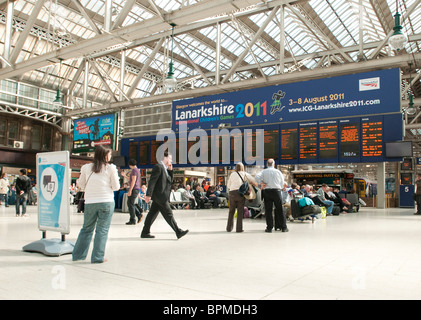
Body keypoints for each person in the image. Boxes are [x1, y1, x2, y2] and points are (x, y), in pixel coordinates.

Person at [72, 145, 120, 264]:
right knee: (102, 230)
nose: (110, 156)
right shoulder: (111, 168)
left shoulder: (86, 167)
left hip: (90, 202)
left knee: (86, 229)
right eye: (109, 154)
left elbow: (81, 185)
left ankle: (78, 255)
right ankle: (97, 257)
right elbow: (116, 187)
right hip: (106, 202)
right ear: (105, 155)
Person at [141, 151, 188, 239]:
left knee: (152, 214)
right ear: (165, 158)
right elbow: (152, 181)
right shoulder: (158, 167)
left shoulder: (165, 169)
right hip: (160, 196)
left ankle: (145, 232)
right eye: (170, 158)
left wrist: (170, 170)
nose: (171, 160)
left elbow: (170, 181)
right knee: (169, 214)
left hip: (162, 196)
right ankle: (178, 231)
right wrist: (148, 195)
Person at [255, 159, 288, 233]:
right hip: (277, 191)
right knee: (280, 209)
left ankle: (269, 228)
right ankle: (283, 227)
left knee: (268, 210)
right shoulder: (278, 172)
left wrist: (261, 183)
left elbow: (257, 177)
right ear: (274, 164)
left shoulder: (264, 171)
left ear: (267, 164)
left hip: (267, 192)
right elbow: (282, 183)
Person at [226, 162, 257, 233]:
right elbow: (254, 181)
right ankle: (239, 229)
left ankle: (229, 228)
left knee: (231, 211)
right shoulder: (245, 174)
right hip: (240, 194)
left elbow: (228, 186)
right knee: (240, 211)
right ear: (243, 167)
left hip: (232, 193)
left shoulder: (232, 174)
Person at [126, 159, 143, 225]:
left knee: (130, 204)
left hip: (134, 189)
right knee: (130, 203)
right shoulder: (137, 170)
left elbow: (133, 181)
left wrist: (130, 190)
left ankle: (134, 218)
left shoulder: (134, 170)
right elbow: (132, 179)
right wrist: (125, 176)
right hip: (136, 188)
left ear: (130, 164)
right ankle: (138, 214)